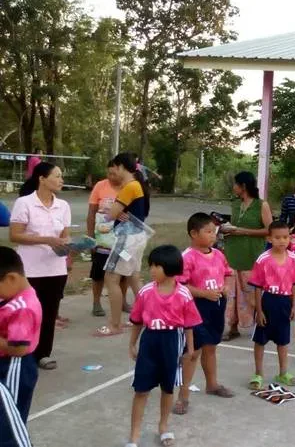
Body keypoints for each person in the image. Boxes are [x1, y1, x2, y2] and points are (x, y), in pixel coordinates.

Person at [127, 245, 202, 447]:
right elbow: (137, 321)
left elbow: (189, 324)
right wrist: (132, 344)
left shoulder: (184, 294)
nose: (151, 270)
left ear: (170, 267)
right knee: (141, 390)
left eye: (156, 266)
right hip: (150, 341)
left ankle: (163, 426)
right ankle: (134, 435)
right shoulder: (145, 292)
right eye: (151, 265)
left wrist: (191, 349)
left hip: (172, 341)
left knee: (167, 389)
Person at [9, 162, 70, 370]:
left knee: (49, 313)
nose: (61, 180)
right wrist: (46, 240)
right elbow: (14, 235)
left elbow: (65, 237)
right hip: (30, 269)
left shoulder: (63, 206)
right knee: (28, 313)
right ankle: (24, 352)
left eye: (62, 176)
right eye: (57, 176)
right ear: (42, 179)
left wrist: (68, 247)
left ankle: (44, 353)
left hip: (56, 269)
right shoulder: (24, 203)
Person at [173, 213, 235, 416]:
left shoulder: (218, 255)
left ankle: (212, 384)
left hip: (216, 306)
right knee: (193, 352)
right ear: (193, 233)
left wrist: (225, 287)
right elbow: (180, 285)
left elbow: (227, 274)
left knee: (211, 347)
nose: (212, 236)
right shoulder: (187, 257)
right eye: (207, 232)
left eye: (214, 232)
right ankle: (183, 396)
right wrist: (204, 293)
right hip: (196, 309)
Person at [97, 152, 150, 337]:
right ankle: (147, 315)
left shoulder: (130, 187)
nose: (113, 173)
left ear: (120, 167)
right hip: (137, 237)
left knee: (111, 277)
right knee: (134, 276)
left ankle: (115, 324)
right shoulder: (138, 185)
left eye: (114, 169)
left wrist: (109, 209)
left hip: (127, 239)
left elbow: (111, 213)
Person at [220, 171, 272, 341]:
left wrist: (242, 231)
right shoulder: (235, 204)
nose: (233, 187)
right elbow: (234, 225)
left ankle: (262, 323)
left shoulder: (261, 205)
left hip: (252, 254)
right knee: (232, 295)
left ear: (243, 186)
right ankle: (232, 327)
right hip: (232, 252)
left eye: (235, 184)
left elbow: (269, 230)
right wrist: (226, 230)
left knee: (251, 293)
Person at [247, 221, 295, 390]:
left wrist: (293, 306)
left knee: (283, 341)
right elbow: (257, 286)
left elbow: (294, 284)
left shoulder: (293, 258)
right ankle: (258, 374)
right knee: (260, 341)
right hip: (268, 301)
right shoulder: (263, 259)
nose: (282, 241)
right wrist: (259, 310)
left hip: (285, 302)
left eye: (285, 237)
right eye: (277, 237)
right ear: (269, 238)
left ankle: (283, 372)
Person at [0, 246, 41, 447]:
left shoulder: (22, 308)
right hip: (8, 364)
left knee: (9, 421)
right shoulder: (11, 296)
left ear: (12, 278)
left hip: (13, 367)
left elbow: (19, 348)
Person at [87, 160, 127, 317]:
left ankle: (122, 302)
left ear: (122, 171)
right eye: (108, 173)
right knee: (98, 273)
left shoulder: (130, 187)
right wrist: (90, 236)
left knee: (124, 272)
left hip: (124, 239)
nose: (110, 177)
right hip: (102, 239)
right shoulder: (100, 186)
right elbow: (91, 212)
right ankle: (96, 303)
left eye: (114, 173)